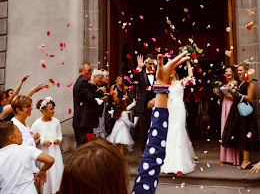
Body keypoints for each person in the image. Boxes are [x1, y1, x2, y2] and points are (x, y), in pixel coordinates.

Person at [59, 51, 190, 194]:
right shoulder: (140, 74)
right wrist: (160, 87)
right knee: (148, 134)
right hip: (147, 106)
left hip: (156, 104)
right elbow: (155, 149)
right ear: (121, 182)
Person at [221, 62, 260, 170]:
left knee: (245, 134)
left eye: (241, 70)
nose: (239, 72)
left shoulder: (250, 82)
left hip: (245, 112)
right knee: (240, 134)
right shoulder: (242, 82)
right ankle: (244, 159)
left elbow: (249, 98)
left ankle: (246, 160)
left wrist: (238, 94)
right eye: (238, 70)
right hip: (237, 111)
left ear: (246, 71)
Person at [161, 59, 196, 175]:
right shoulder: (166, 84)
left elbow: (190, 76)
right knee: (171, 132)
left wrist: (187, 63)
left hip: (179, 108)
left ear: (174, 71)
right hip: (170, 108)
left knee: (179, 130)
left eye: (171, 70)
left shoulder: (180, 82)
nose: (169, 73)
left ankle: (181, 162)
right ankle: (171, 160)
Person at [0, 121, 54, 194]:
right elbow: (50, 160)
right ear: (12, 138)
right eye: (18, 131)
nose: (21, 133)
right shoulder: (26, 149)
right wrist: (42, 170)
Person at [31, 97, 63, 194]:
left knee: (57, 170)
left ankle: (57, 189)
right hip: (44, 152)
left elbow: (60, 134)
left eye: (53, 108)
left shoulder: (56, 122)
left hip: (55, 152)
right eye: (51, 109)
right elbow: (32, 139)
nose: (53, 111)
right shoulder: (37, 124)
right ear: (43, 110)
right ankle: (46, 191)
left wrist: (58, 140)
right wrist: (41, 142)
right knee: (47, 172)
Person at [73, 63, 106, 146]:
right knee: (84, 146)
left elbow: (89, 93)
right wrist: (101, 91)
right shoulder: (82, 82)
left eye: (91, 71)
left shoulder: (81, 81)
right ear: (82, 71)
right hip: (83, 121)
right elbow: (90, 97)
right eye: (89, 71)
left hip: (82, 121)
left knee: (84, 146)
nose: (91, 73)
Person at [214, 65, 240, 165]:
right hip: (225, 105)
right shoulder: (227, 84)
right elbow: (225, 98)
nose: (228, 73)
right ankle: (226, 157)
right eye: (226, 71)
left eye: (230, 71)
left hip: (231, 106)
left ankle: (233, 158)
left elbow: (234, 98)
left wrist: (224, 93)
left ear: (234, 73)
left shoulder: (235, 83)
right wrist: (219, 94)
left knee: (230, 128)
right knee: (224, 128)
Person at [132, 54, 157, 152]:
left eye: (153, 64)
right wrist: (139, 67)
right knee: (143, 131)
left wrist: (155, 99)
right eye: (149, 64)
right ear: (145, 63)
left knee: (155, 129)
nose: (152, 66)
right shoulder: (141, 74)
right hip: (143, 107)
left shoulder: (158, 73)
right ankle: (145, 153)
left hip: (156, 106)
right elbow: (133, 80)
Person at [11, 95, 41, 174]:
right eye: (28, 106)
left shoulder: (25, 124)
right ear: (18, 110)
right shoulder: (14, 126)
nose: (31, 108)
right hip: (22, 171)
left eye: (30, 106)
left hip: (30, 168)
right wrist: (32, 139)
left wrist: (35, 142)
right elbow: (17, 149)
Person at [91, 69, 108, 138]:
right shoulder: (91, 87)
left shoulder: (100, 87)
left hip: (100, 112)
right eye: (100, 78)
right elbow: (93, 98)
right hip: (94, 115)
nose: (101, 80)